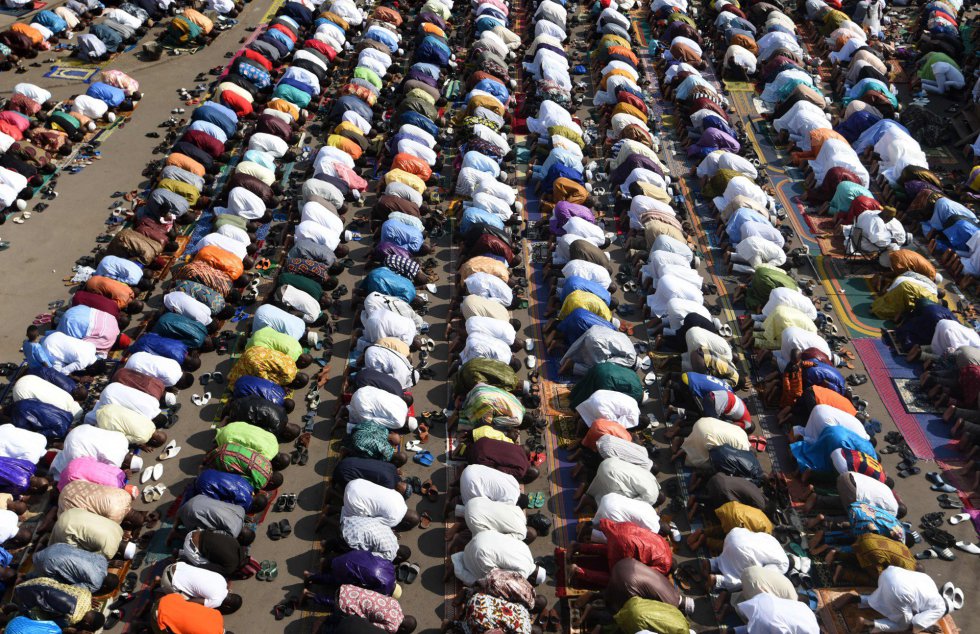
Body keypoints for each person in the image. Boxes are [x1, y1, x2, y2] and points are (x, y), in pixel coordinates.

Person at [846, 566, 950, 632]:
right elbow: (917, 623)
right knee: (904, 625)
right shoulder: (941, 608)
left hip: (888, 574)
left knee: (882, 599)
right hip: (899, 591)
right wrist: (925, 627)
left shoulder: (930, 583)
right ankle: (868, 623)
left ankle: (858, 599)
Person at [302, 584, 418, 634]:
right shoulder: (393, 627)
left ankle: (310, 595)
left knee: (337, 601)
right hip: (347, 606)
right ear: (403, 629)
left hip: (352, 591)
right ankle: (321, 624)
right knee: (339, 613)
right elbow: (370, 626)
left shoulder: (396, 604)